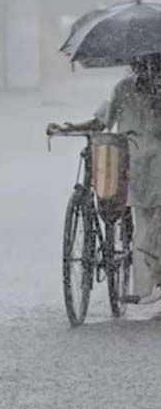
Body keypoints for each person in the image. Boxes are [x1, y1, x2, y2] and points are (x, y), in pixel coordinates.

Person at [48, 53, 161, 302]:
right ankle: (155, 277)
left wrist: (70, 128)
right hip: (152, 166)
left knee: (144, 220)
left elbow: (100, 122)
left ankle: (149, 280)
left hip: (131, 163)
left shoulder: (124, 88)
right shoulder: (150, 91)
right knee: (153, 222)